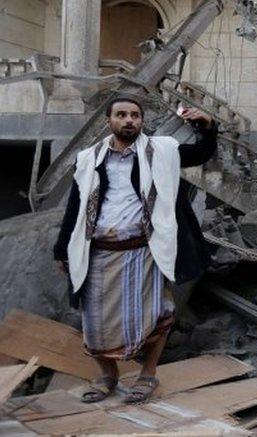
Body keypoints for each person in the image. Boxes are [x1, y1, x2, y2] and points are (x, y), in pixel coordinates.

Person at [53, 97, 217, 404]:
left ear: (142, 121)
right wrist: (61, 249)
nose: (129, 120)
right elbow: (75, 207)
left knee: (158, 316)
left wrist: (207, 127)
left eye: (135, 115)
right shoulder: (88, 158)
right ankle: (107, 376)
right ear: (109, 121)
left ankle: (147, 375)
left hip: (144, 251)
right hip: (99, 252)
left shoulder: (162, 151)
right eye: (121, 115)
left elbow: (202, 153)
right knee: (94, 323)